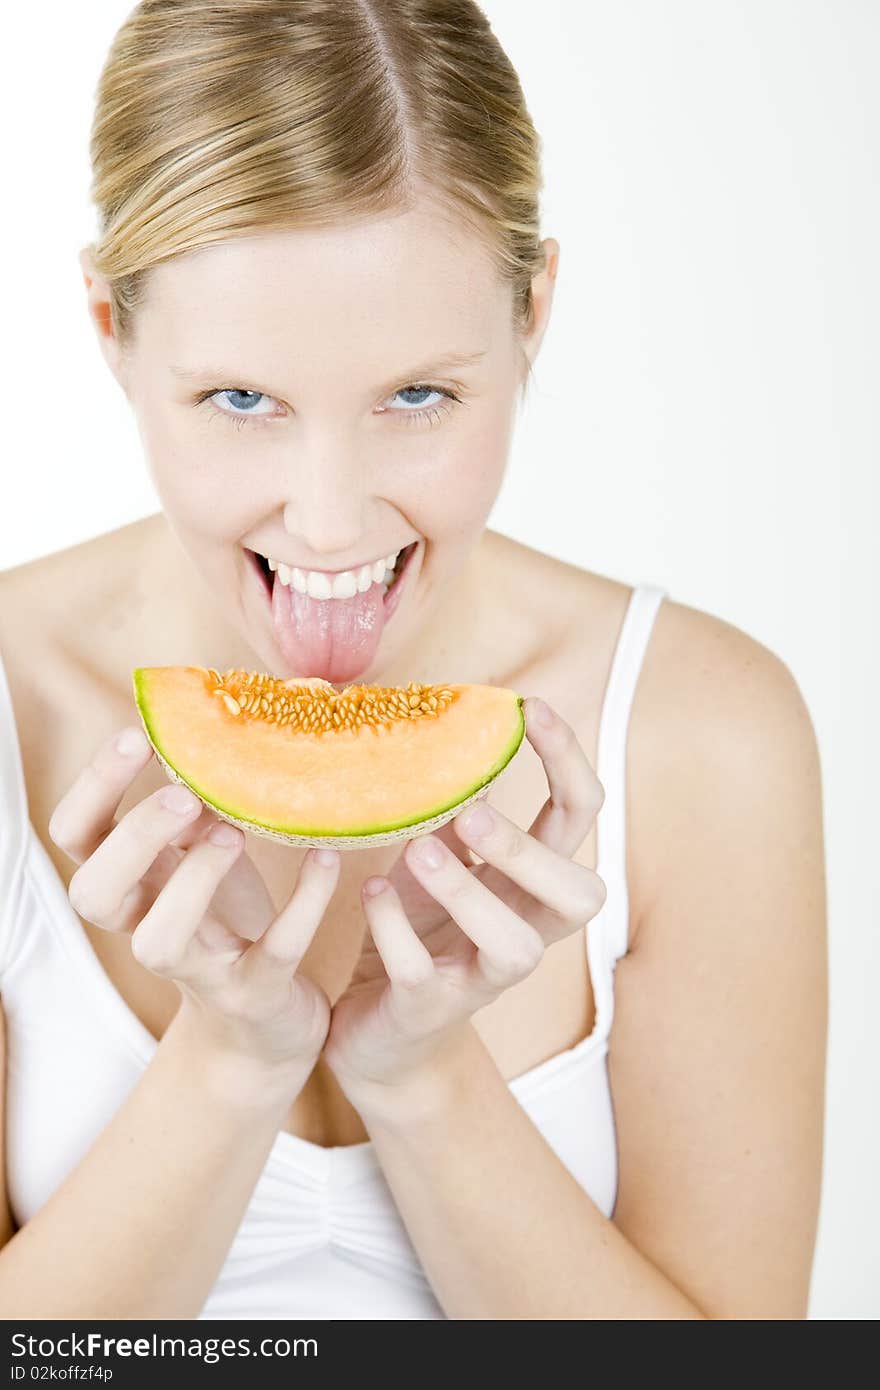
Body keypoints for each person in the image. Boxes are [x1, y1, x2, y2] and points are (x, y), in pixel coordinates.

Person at [0, 0, 826, 1320]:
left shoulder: (702, 734)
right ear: (110, 328)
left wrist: (425, 1081)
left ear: (534, 311)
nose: (331, 520)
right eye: (240, 399)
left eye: (419, 396)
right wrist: (226, 1065)